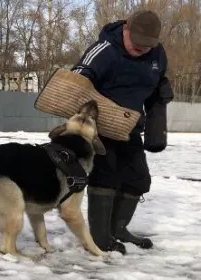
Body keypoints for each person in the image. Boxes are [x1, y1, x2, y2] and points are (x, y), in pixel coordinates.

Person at [71, 10, 174, 254]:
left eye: (147, 46)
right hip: (101, 129)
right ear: (126, 29)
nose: (141, 49)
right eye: (136, 43)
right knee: (105, 177)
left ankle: (118, 229)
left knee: (139, 179)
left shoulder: (157, 54)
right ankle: (99, 237)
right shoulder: (105, 50)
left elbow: (156, 83)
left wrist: (161, 96)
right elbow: (76, 78)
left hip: (129, 129)